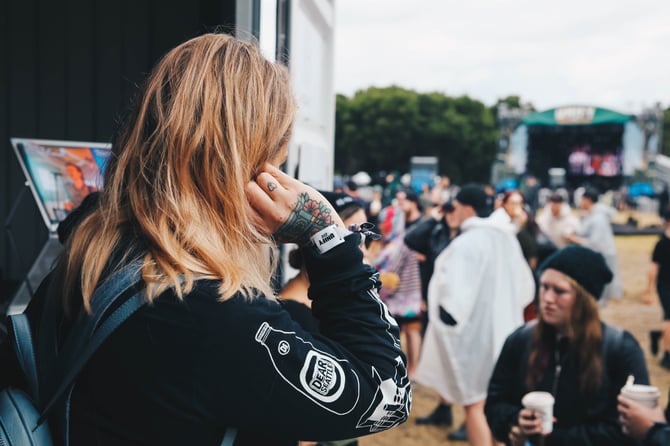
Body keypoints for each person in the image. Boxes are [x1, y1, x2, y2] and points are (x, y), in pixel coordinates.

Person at [0, 33, 410, 445]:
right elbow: (386, 396)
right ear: (253, 169)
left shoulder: (89, 254)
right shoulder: (209, 316)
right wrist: (327, 237)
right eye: (278, 160)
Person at [486, 245, 649, 446]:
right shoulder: (521, 340)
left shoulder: (619, 348)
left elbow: (631, 426)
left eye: (559, 291)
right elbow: (495, 401)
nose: (547, 298)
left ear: (584, 299)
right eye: (544, 287)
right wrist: (516, 421)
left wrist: (554, 438)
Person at [415, 184, 535, 445]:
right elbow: (526, 287)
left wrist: (449, 329)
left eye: (456, 207)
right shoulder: (506, 239)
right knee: (497, 403)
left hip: (474, 337)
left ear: (467, 208)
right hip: (508, 331)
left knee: (475, 403)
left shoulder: (466, 244)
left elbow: (451, 299)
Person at [564, 186, 623, 304]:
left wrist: (574, 239)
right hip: (601, 253)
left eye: (582, 199)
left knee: (604, 283)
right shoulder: (592, 214)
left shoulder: (598, 217)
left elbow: (595, 243)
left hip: (603, 253)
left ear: (588, 200)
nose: (580, 202)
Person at [644, 209, 670, 370]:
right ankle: (667, 355)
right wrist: (648, 291)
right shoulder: (661, 244)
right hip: (666, 286)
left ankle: (657, 334)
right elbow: (653, 268)